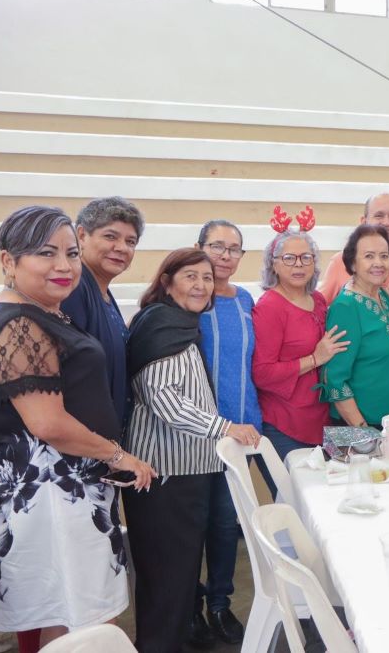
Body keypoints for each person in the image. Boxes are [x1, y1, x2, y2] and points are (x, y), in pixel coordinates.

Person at [0, 206, 155, 649]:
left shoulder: (40, 311)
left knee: (70, 612)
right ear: (9, 261)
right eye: (45, 253)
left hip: (69, 489)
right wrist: (119, 456)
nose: (64, 265)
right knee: (77, 615)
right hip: (52, 496)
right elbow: (48, 423)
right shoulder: (18, 324)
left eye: (71, 253)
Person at [123, 248, 261, 653]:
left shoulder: (180, 323)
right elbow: (163, 399)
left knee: (178, 576)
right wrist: (225, 427)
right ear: (167, 283)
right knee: (166, 578)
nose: (201, 285)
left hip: (187, 469)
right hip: (165, 473)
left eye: (206, 278)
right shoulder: (161, 323)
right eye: (190, 277)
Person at [188, 220, 262, 647]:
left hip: (239, 430)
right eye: (217, 246)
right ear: (200, 247)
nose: (225, 256)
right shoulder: (187, 297)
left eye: (234, 249)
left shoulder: (246, 299)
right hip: (192, 433)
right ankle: (189, 605)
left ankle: (219, 602)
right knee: (190, 524)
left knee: (224, 521)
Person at [253, 222, 349, 459]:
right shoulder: (270, 307)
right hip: (285, 423)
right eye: (289, 258)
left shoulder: (318, 299)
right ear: (274, 264)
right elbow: (262, 373)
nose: (298, 264)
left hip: (321, 418)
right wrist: (315, 359)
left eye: (306, 257)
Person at [60, 195, 144, 425]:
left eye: (131, 241)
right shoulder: (74, 289)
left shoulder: (103, 291)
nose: (122, 248)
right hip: (83, 437)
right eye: (110, 236)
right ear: (81, 235)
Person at [321, 225, 389, 427]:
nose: (378, 263)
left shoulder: (383, 295)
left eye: (384, 256)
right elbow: (335, 380)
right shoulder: (345, 307)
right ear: (353, 263)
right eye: (369, 256)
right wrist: (364, 431)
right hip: (362, 426)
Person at [318, 192, 389, 302]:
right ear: (364, 221)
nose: (386, 222)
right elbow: (319, 305)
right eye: (379, 216)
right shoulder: (340, 261)